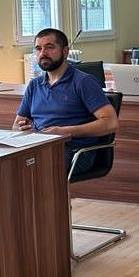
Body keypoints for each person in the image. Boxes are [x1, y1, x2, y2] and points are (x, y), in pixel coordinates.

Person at [14, 28, 119, 177]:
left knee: (30, 170)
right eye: (38, 48)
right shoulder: (34, 85)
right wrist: (22, 128)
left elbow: (110, 123)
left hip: (74, 151)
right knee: (5, 165)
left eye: (49, 47)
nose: (43, 53)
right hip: (39, 146)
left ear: (65, 52)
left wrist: (63, 132)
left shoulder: (83, 82)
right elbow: (16, 125)